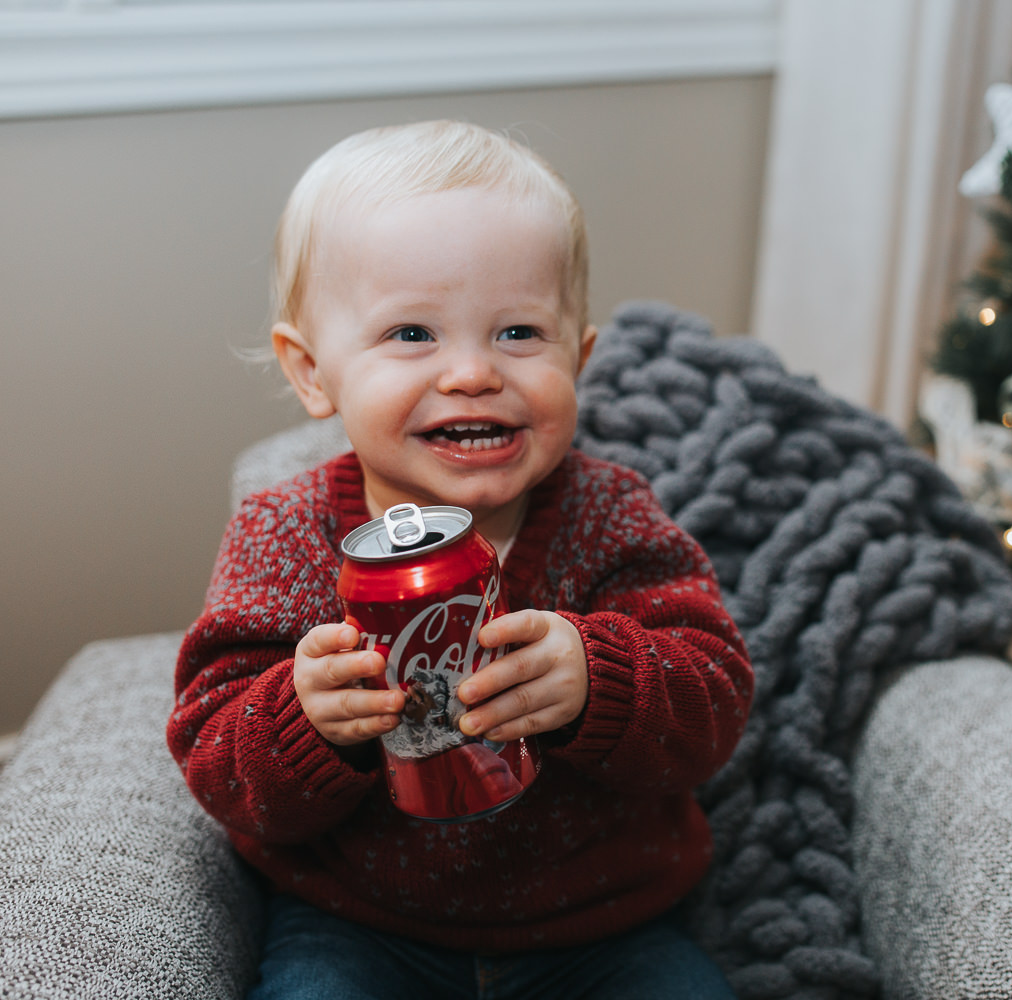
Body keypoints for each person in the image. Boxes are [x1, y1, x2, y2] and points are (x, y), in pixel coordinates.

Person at [167, 120, 753, 999]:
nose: (473, 374)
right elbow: (217, 763)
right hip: (359, 921)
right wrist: (300, 716)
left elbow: (715, 708)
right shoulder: (283, 534)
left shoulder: (610, 514)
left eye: (520, 333)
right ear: (312, 371)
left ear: (580, 360)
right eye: (412, 334)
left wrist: (603, 679)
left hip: (602, 925)